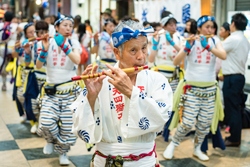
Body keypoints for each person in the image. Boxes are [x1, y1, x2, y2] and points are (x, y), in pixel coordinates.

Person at [70, 20, 173, 167]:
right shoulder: (101, 81)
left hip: (143, 162)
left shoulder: (157, 80)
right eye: (133, 50)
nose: (141, 56)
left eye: (144, 48)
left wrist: (131, 92)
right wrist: (91, 97)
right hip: (105, 161)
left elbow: (162, 117)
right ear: (117, 53)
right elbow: (81, 128)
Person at [163, 15, 226, 161]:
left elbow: (223, 56)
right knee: (187, 122)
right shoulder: (191, 40)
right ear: (199, 28)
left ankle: (197, 148)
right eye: (207, 27)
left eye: (212, 27)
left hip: (210, 90)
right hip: (191, 89)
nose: (210, 29)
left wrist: (208, 47)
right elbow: (176, 60)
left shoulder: (215, 41)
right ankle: (173, 144)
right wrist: (187, 47)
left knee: (204, 123)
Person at [36, 14, 82, 165]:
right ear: (56, 27)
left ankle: (63, 153)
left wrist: (64, 45)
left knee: (68, 128)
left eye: (71, 25)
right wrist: (44, 49)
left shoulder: (73, 42)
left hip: (70, 92)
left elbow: (77, 60)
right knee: (46, 122)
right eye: (65, 25)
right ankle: (50, 140)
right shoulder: (47, 40)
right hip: (51, 92)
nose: (68, 28)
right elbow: (38, 66)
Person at [222, 13, 250, 147]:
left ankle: (234, 138)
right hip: (238, 77)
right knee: (236, 108)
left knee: (232, 108)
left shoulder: (233, 39)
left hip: (232, 78)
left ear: (233, 24)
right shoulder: (244, 39)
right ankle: (235, 135)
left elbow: (218, 50)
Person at [12, 22, 40, 133]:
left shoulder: (40, 43)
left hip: (35, 74)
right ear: (26, 34)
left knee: (34, 99)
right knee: (20, 96)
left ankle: (36, 122)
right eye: (30, 32)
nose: (33, 33)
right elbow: (14, 55)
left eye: (34, 31)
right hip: (23, 73)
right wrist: (18, 48)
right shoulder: (23, 43)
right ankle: (29, 116)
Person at [148, 11, 183, 93]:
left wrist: (172, 42)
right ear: (164, 26)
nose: (174, 27)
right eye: (171, 25)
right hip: (159, 73)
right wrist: (155, 44)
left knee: (173, 99)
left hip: (174, 74)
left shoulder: (178, 37)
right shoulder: (158, 36)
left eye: (175, 25)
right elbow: (151, 59)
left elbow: (183, 52)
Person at [0, 12, 22, 91]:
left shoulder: (1, 25)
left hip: (2, 49)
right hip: (12, 49)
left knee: (4, 66)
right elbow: (23, 31)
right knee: (14, 66)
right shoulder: (15, 26)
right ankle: (15, 83)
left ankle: (4, 84)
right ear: (12, 18)